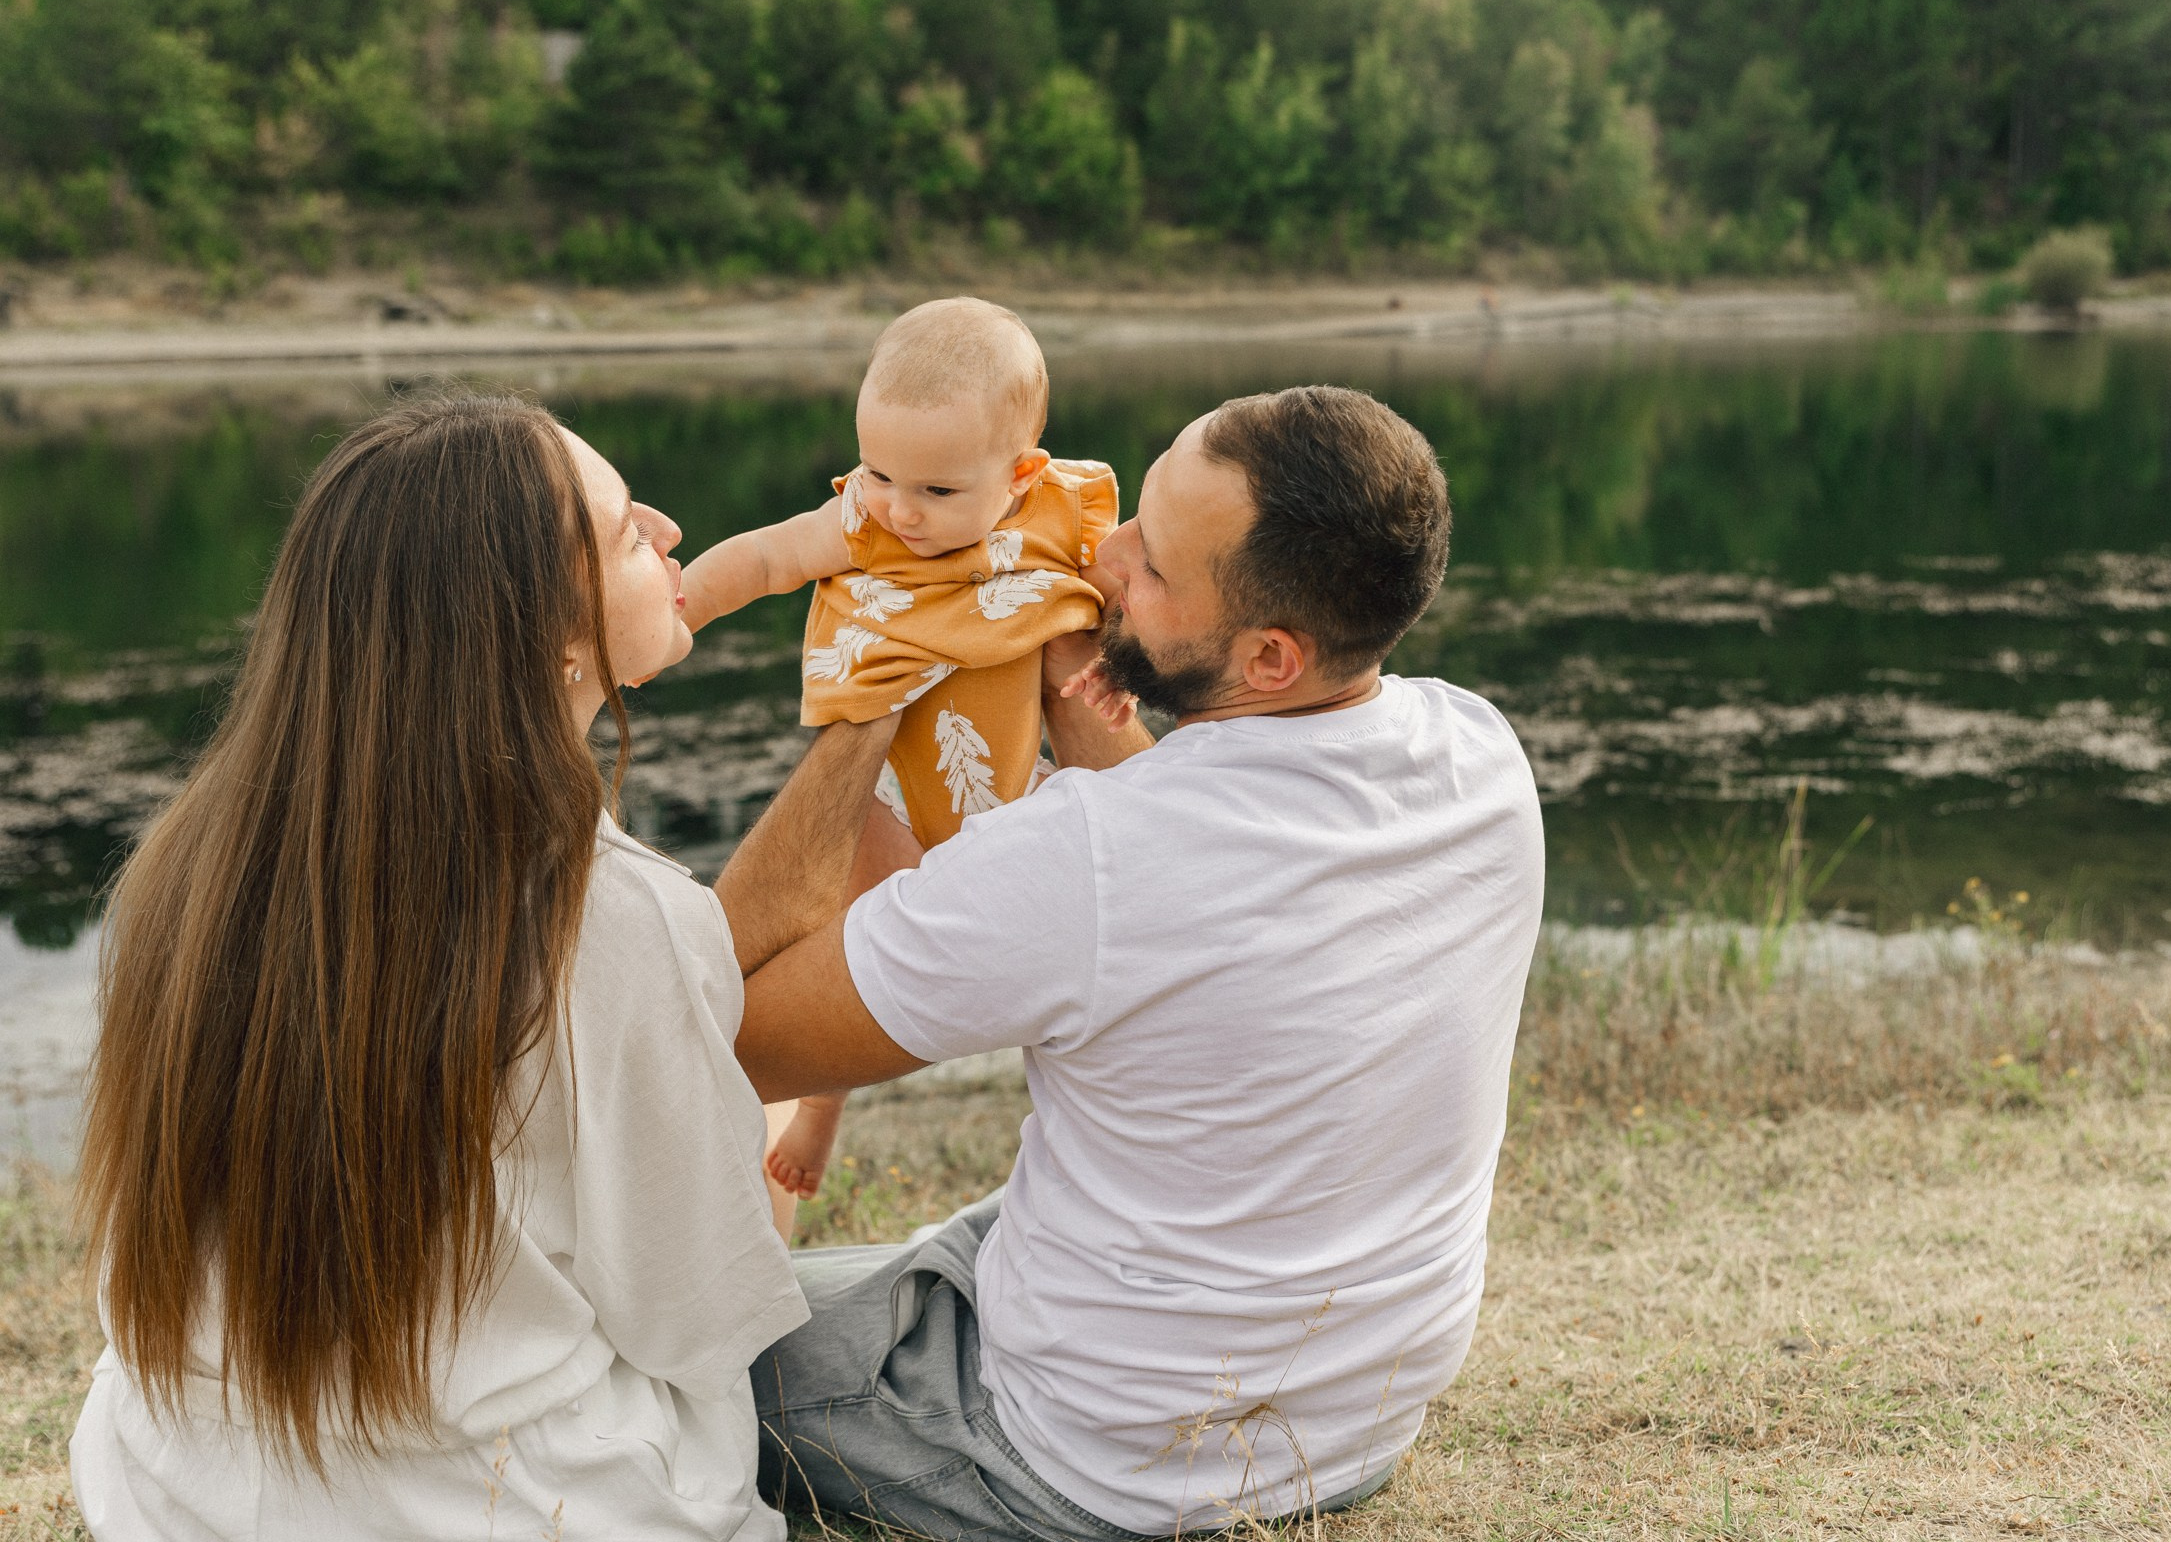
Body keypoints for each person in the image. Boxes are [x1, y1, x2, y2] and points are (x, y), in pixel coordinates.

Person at [718, 385, 1546, 1539]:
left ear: (1267, 654)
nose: (1101, 556)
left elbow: (723, 1041)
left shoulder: (1092, 859)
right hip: (1345, 1423)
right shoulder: (1479, 754)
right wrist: (1071, 666)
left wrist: (875, 685)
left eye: (1151, 565)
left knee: (664, 1347)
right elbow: (1186, 857)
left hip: (1086, 1456)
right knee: (892, 1263)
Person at [68, 393, 830, 1540]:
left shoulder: (188, 864)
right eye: (627, 530)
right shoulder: (614, 915)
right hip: (491, 1508)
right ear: (550, 631)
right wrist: (797, 1103)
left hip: (185, 1489)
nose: (672, 530)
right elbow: (707, 1317)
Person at [680, 296, 1123, 1213]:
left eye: (937, 491)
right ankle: (819, 1108)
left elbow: (1120, 598)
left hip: (1011, 789)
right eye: (881, 472)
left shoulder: (1060, 515)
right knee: (842, 942)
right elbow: (765, 560)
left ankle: (1087, 1120)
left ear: (1021, 471)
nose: (902, 510)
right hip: (882, 788)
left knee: (1083, 927)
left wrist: (1117, 660)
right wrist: (683, 607)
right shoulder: (862, 520)